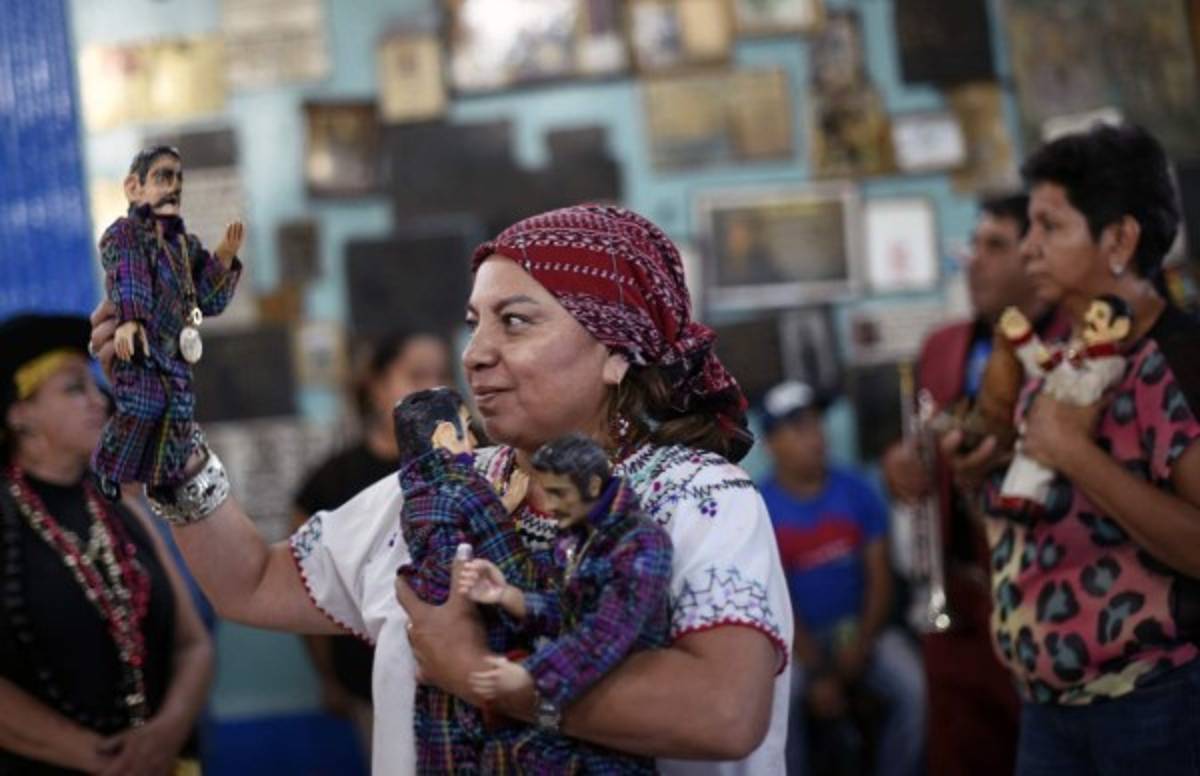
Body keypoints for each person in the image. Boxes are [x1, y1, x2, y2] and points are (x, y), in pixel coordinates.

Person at [89, 204, 793, 774]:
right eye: (474, 322)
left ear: (616, 352)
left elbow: (725, 713)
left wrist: (477, 672)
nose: (474, 352)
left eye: (514, 321)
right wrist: (168, 426)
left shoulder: (696, 500)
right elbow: (251, 582)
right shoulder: (441, 494)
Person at [943, 123, 1200, 774]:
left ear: (1119, 239)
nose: (1030, 249)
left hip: (1154, 702)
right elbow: (1036, 525)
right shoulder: (1057, 357)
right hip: (1049, 706)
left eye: (1049, 227)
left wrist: (1075, 453)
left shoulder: (1175, 360)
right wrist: (978, 476)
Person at [881, 193, 1068, 776]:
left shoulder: (1077, 341)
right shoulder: (942, 344)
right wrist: (898, 466)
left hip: (1051, 600)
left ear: (1034, 256)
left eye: (995, 246)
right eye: (973, 245)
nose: (974, 261)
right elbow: (915, 441)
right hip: (958, 604)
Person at [0, 313, 214, 774]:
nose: (99, 401)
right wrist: (92, 755)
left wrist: (165, 734)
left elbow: (193, 644)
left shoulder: (122, 508)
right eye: (74, 388)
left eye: (96, 386)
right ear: (20, 415)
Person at [462, 433, 672, 774]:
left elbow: (607, 632)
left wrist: (531, 675)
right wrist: (513, 599)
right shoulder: (578, 532)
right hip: (571, 711)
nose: (551, 504)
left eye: (559, 493)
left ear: (590, 484)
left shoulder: (641, 543)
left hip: (619, 716)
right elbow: (570, 608)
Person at [291, 330, 449, 754]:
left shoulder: (478, 465)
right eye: (416, 373)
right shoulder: (329, 482)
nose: (434, 387)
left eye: (442, 374)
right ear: (377, 386)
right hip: (367, 682)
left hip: (462, 683)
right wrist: (328, 678)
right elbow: (306, 591)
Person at [758, 380, 924, 776]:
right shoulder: (758, 509)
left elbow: (880, 580)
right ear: (770, 445)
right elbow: (773, 601)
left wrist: (861, 646)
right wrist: (818, 671)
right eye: (798, 428)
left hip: (863, 632)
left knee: (917, 688)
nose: (815, 435)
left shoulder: (858, 491)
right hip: (794, 646)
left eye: (817, 422)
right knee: (772, 708)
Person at [390, 385, 534, 770]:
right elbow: (513, 568)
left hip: (433, 644)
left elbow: (453, 530)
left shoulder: (415, 497)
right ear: (442, 436)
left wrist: (498, 506)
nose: (473, 441)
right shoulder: (471, 488)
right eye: (465, 430)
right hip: (479, 639)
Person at [92, 145, 243, 500]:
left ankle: (164, 480)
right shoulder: (125, 234)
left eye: (178, 179)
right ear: (134, 187)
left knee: (177, 415)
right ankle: (109, 468)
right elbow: (128, 274)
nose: (173, 186)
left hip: (173, 352)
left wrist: (222, 259)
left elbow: (207, 301)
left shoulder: (183, 246)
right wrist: (131, 319)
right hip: (142, 342)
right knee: (142, 407)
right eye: (162, 177)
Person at [995, 296, 1132, 513]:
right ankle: (1016, 499)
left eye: (1099, 315)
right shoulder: (1077, 350)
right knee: (1025, 465)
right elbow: (1042, 369)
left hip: (1062, 432)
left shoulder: (1110, 364)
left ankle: (1025, 501)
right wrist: (1025, 340)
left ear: (1120, 328)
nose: (1089, 317)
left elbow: (1084, 392)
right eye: (1091, 312)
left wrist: (1055, 368)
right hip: (1041, 431)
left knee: (1037, 468)